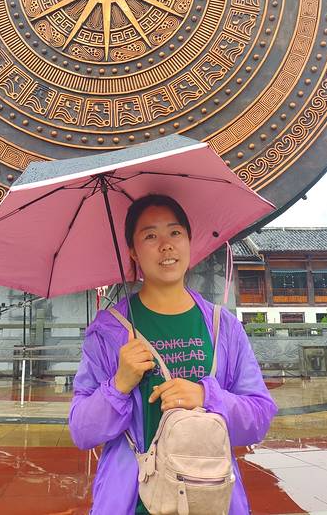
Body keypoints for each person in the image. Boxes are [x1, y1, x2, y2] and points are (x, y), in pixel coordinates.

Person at [68, 193, 277, 514]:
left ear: (189, 241)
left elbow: (259, 419)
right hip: (132, 503)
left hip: (209, 498)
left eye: (175, 232)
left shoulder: (223, 327)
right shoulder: (107, 332)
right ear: (133, 251)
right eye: (150, 236)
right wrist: (119, 384)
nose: (166, 245)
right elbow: (82, 431)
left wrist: (207, 397)